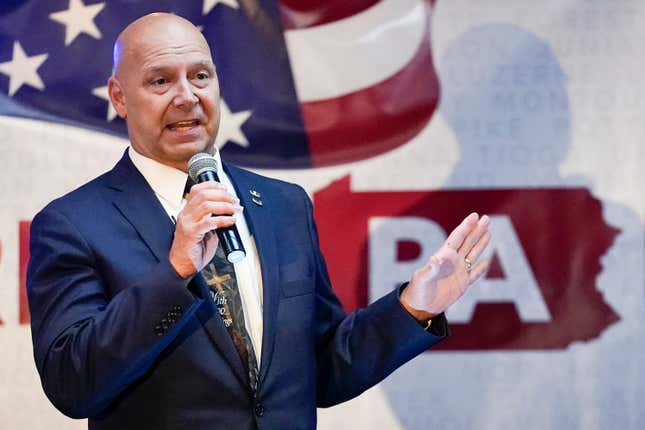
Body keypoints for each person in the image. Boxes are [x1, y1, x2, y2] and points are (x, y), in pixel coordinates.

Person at [27, 13, 491, 430]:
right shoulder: (73, 224)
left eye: (200, 76)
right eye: (160, 81)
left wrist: (412, 308)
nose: (187, 97)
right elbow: (73, 384)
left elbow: (323, 370)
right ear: (119, 97)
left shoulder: (283, 205)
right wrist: (175, 274)